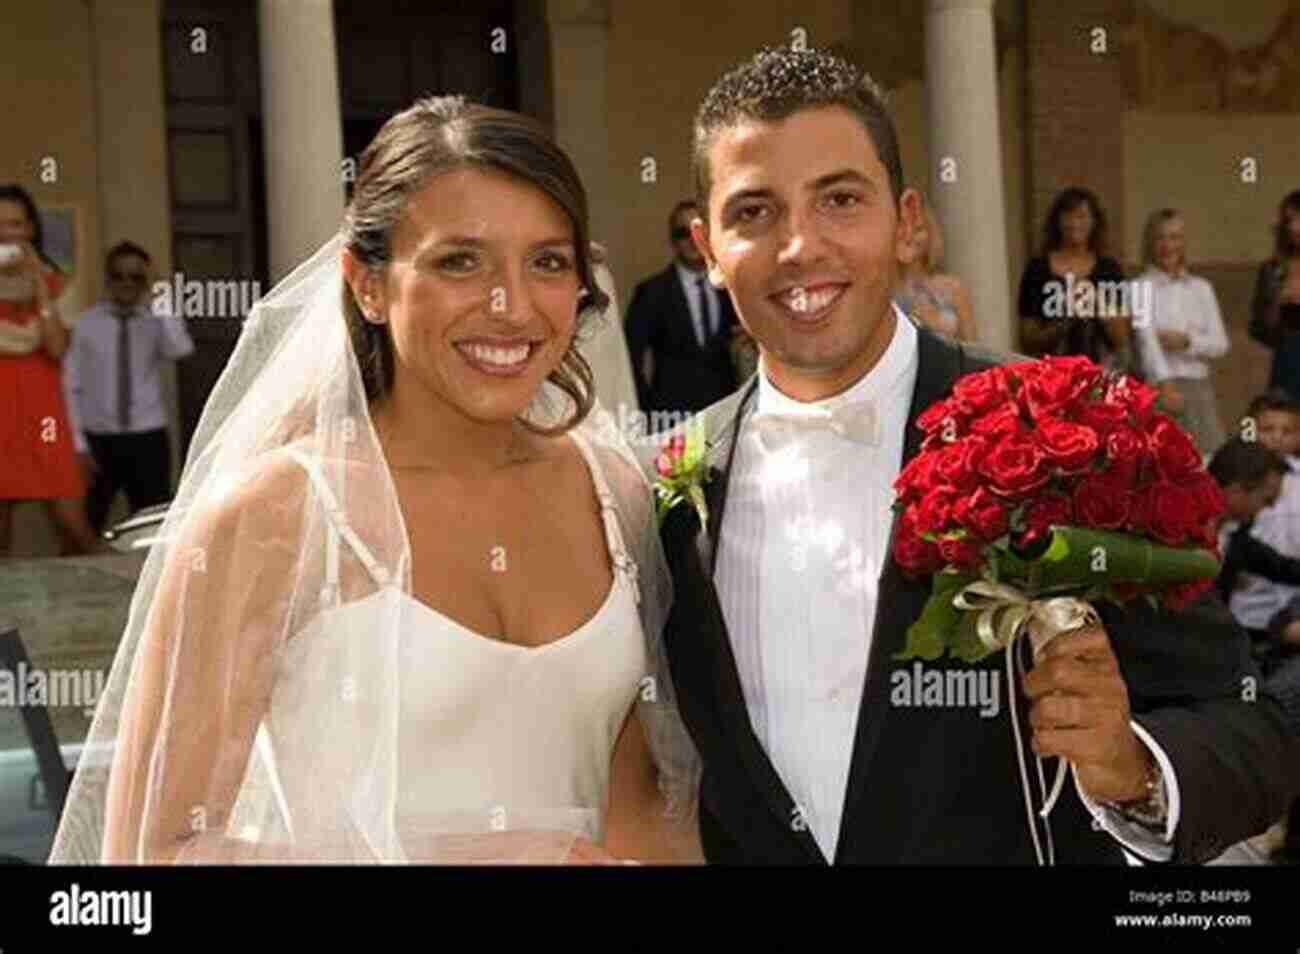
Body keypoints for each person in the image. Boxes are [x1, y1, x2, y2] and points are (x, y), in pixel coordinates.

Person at [645, 46, 1296, 864]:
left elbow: (1252, 721)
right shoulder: (661, 487)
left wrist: (1132, 766)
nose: (800, 246)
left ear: (908, 222)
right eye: (755, 212)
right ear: (707, 247)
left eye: (840, 199)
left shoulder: (1064, 434)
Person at [49, 96, 700, 864]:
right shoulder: (273, 520)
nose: (511, 305)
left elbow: (649, 809)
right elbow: (147, 859)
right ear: (366, 283)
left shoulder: (615, 493)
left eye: (547, 262)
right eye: (460, 260)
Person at [64, 241, 195, 534]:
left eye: (136, 277)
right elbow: (70, 385)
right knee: (87, 523)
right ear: (108, 279)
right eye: (119, 275)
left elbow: (181, 348)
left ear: (145, 282)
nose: (126, 283)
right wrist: (77, 444)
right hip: (98, 439)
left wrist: (162, 297)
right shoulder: (87, 325)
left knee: (152, 525)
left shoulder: (156, 320)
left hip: (147, 437)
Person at [0, 184, 98, 556]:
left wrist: (38, 284)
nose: (7, 233)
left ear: (30, 230)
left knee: (72, 525)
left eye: (16, 224)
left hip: (44, 417)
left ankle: (126, 605)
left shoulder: (56, 282)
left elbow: (56, 348)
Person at [625, 200, 739, 430]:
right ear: (672, 240)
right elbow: (630, 359)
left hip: (727, 414)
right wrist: (648, 411)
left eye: (697, 231)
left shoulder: (732, 287)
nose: (691, 240)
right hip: (670, 419)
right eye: (681, 233)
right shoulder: (652, 292)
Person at [1131, 209, 1229, 455]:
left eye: (1174, 238)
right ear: (1150, 243)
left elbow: (1220, 344)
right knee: (1165, 460)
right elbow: (1146, 343)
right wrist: (1165, 386)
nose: (1167, 245)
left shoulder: (1201, 288)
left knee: (1208, 457)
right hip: (1161, 386)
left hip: (1198, 384)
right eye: (1160, 238)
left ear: (1183, 243)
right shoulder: (1139, 287)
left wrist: (1187, 341)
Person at [1017, 187, 1134, 374]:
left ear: (1094, 222)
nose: (1074, 224)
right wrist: (1064, 320)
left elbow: (1122, 339)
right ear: (1057, 221)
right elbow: (1027, 337)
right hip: (1052, 371)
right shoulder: (1037, 268)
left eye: (1082, 216)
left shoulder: (1108, 268)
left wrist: (1096, 302)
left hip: (1101, 371)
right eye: (1068, 216)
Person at [1227, 391, 1300, 641]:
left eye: (1287, 431)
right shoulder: (1232, 476)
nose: (1277, 438)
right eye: (1267, 429)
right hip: (1245, 610)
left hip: (1292, 608)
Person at [893, 192, 975, 342]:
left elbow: (972, 343)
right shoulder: (885, 292)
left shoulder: (952, 288)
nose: (911, 236)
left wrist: (936, 319)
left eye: (919, 230)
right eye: (903, 231)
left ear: (930, 233)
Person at [1248, 189, 1300, 400]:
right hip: (1288, 359)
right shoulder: (1272, 270)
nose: (1294, 227)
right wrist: (1278, 301)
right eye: (1289, 220)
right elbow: (1259, 328)